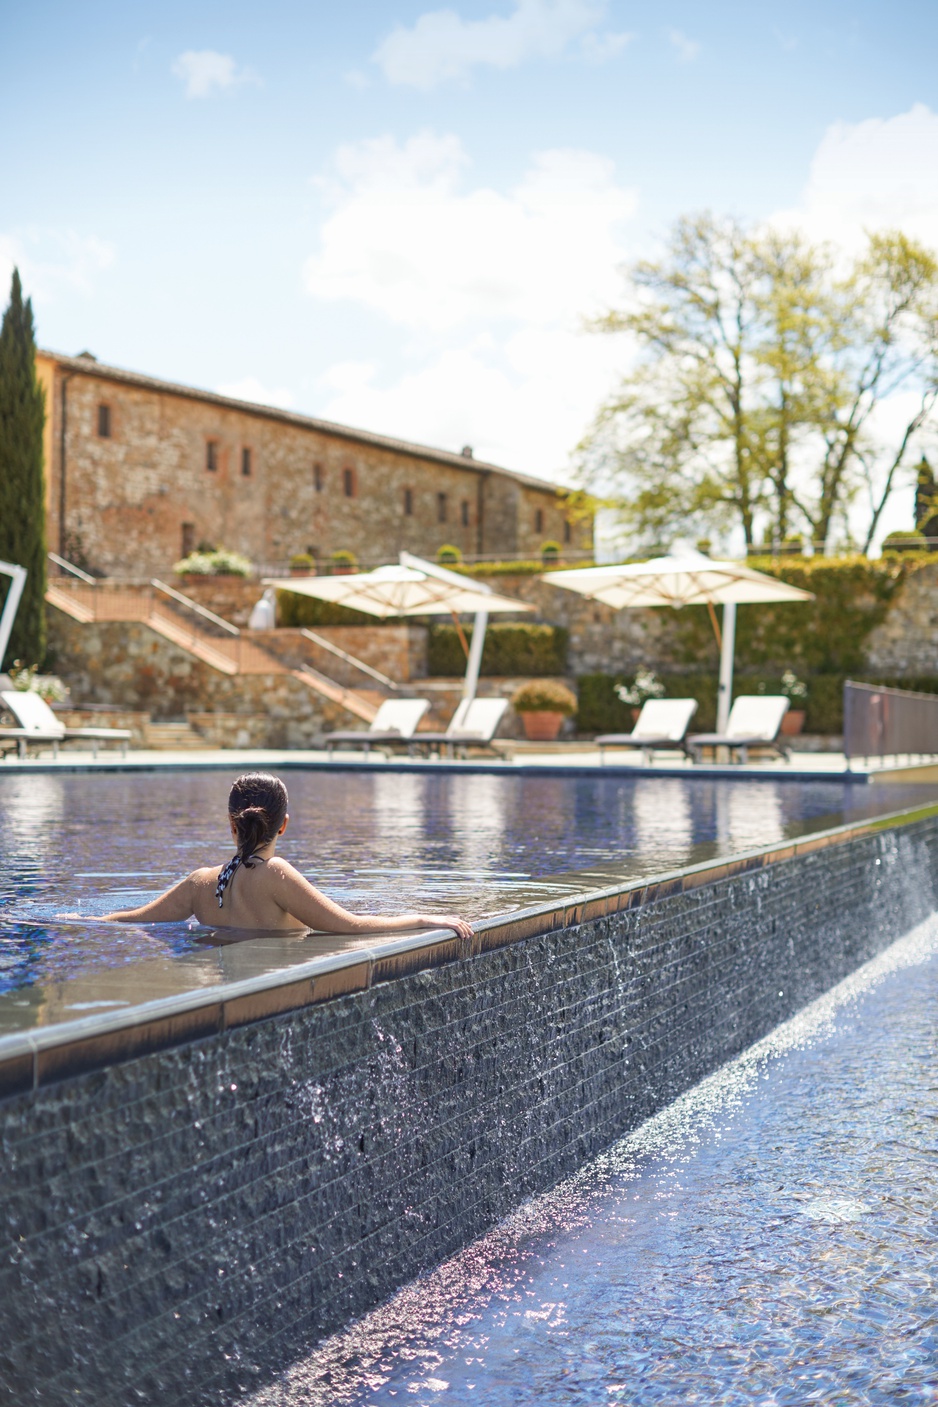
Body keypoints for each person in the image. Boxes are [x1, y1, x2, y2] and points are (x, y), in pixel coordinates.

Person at [103, 771, 473, 940]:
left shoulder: (200, 882)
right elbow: (350, 927)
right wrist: (423, 919)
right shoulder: (274, 874)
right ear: (283, 825)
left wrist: (71, 919)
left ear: (231, 825)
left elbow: (133, 918)